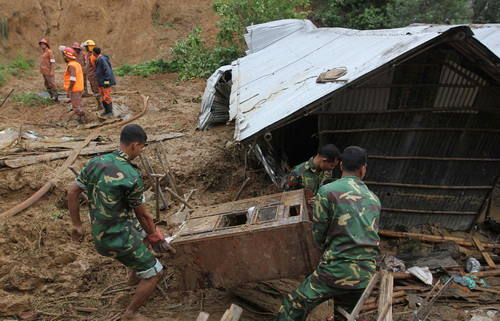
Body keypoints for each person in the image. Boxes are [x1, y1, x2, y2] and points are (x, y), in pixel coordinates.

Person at [68, 124, 174, 321]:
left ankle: (133, 281)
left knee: (143, 239)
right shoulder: (131, 175)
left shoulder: (96, 162)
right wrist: (156, 237)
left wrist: (77, 224)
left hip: (101, 231)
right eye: (141, 147)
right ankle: (131, 313)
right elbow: (143, 216)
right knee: (155, 273)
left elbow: (73, 192)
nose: (140, 151)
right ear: (135, 145)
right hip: (116, 236)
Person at [276, 146, 381, 321]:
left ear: (340, 166)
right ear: (363, 169)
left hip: (336, 270)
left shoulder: (327, 191)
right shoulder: (374, 199)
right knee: (346, 314)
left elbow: (318, 234)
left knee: (295, 303)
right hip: (366, 275)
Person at [62, 47, 85, 125]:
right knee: (78, 104)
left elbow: (72, 79)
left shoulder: (71, 65)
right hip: (78, 87)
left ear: (67, 57)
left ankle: (82, 122)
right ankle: (81, 120)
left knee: (76, 107)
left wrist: (69, 90)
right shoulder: (77, 64)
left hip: (75, 88)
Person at [93, 46, 116, 118]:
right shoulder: (99, 59)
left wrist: (106, 80)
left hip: (105, 81)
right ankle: (106, 110)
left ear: (94, 52)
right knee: (103, 96)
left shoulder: (102, 59)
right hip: (101, 81)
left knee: (107, 96)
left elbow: (107, 70)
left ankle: (110, 111)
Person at [82, 39, 102, 107]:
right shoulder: (88, 55)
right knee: (94, 91)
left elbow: (96, 67)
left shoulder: (94, 56)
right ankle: (98, 104)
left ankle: (100, 105)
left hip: (94, 77)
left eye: (86, 47)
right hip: (91, 77)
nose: (85, 48)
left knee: (97, 91)